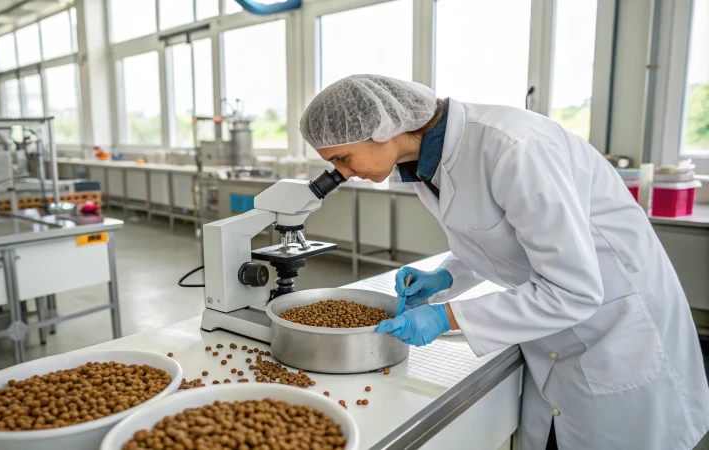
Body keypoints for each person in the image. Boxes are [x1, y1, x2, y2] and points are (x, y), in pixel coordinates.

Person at [300, 74, 709, 450]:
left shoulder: (514, 147)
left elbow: (575, 291)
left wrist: (449, 317)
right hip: (560, 328)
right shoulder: (430, 161)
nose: (343, 173)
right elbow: (501, 236)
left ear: (382, 129)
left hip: (617, 327)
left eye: (343, 158)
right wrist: (447, 275)